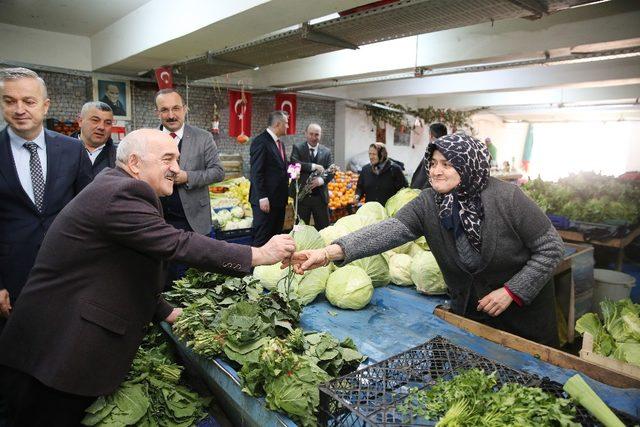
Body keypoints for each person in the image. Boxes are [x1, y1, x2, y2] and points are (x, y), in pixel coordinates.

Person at [0, 129, 296, 426]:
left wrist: (165, 311)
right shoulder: (123, 192)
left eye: (177, 159)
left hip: (50, 347)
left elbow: (126, 266)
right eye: (167, 158)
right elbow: (177, 243)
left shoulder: (117, 185)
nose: (177, 169)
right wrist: (256, 255)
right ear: (135, 163)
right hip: (57, 353)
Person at [287, 133, 564, 347]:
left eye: (446, 164)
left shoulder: (507, 198)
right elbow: (389, 230)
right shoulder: (430, 203)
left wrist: (512, 291)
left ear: (469, 164)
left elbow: (551, 248)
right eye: (432, 164)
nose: (435, 171)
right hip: (474, 317)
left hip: (524, 320)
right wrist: (327, 253)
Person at [0, 67, 92, 328]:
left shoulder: (73, 149)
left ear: (45, 105)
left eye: (28, 101)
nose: (19, 109)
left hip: (69, 269)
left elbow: (89, 212)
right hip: (13, 273)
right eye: (10, 101)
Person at [155, 88, 225, 288]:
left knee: (195, 276)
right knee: (162, 273)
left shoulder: (203, 137)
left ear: (185, 109)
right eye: (164, 110)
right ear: (157, 113)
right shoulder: (148, 138)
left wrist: (187, 177)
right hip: (159, 218)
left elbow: (218, 172)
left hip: (194, 219)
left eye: (176, 108)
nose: (171, 115)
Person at [249, 110, 290, 246]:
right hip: (266, 201)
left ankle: (271, 267)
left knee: (276, 238)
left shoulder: (280, 144)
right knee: (262, 238)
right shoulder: (261, 142)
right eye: (286, 124)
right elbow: (256, 171)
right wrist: (262, 197)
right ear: (278, 124)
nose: (288, 127)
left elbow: (281, 169)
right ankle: (255, 268)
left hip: (278, 201)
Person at [290, 123, 334, 230]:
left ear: (320, 135)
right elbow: (294, 164)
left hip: (320, 198)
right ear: (305, 134)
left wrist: (321, 181)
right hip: (302, 198)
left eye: (317, 135)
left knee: (324, 230)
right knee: (300, 230)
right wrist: (313, 166)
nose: (314, 137)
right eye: (311, 134)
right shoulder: (297, 148)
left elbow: (331, 171)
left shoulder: (327, 152)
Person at [70, 101, 116, 176]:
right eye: (95, 120)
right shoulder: (61, 151)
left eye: (107, 123)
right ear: (80, 121)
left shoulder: (120, 158)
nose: (101, 127)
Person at [410, 122, 447, 189]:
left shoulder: (433, 150)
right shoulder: (448, 150)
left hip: (427, 193)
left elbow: (423, 177)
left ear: (431, 135)